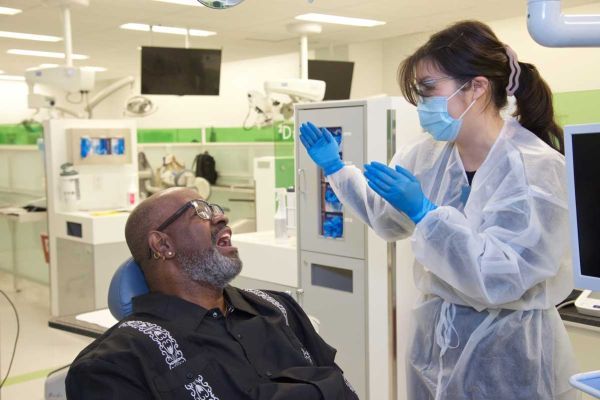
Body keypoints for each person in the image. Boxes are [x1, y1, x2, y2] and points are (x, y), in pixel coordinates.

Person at [299, 20, 577, 400]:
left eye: (430, 90)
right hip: (437, 346)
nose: (422, 104)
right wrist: (336, 170)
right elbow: (387, 217)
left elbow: (499, 277)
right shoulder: (427, 154)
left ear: (477, 88)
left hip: (511, 353)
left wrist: (427, 214)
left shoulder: (536, 168)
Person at [65, 187, 358, 400]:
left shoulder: (278, 308)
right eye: (201, 211)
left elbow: (344, 390)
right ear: (162, 245)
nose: (220, 217)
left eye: (215, 207)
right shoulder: (114, 364)